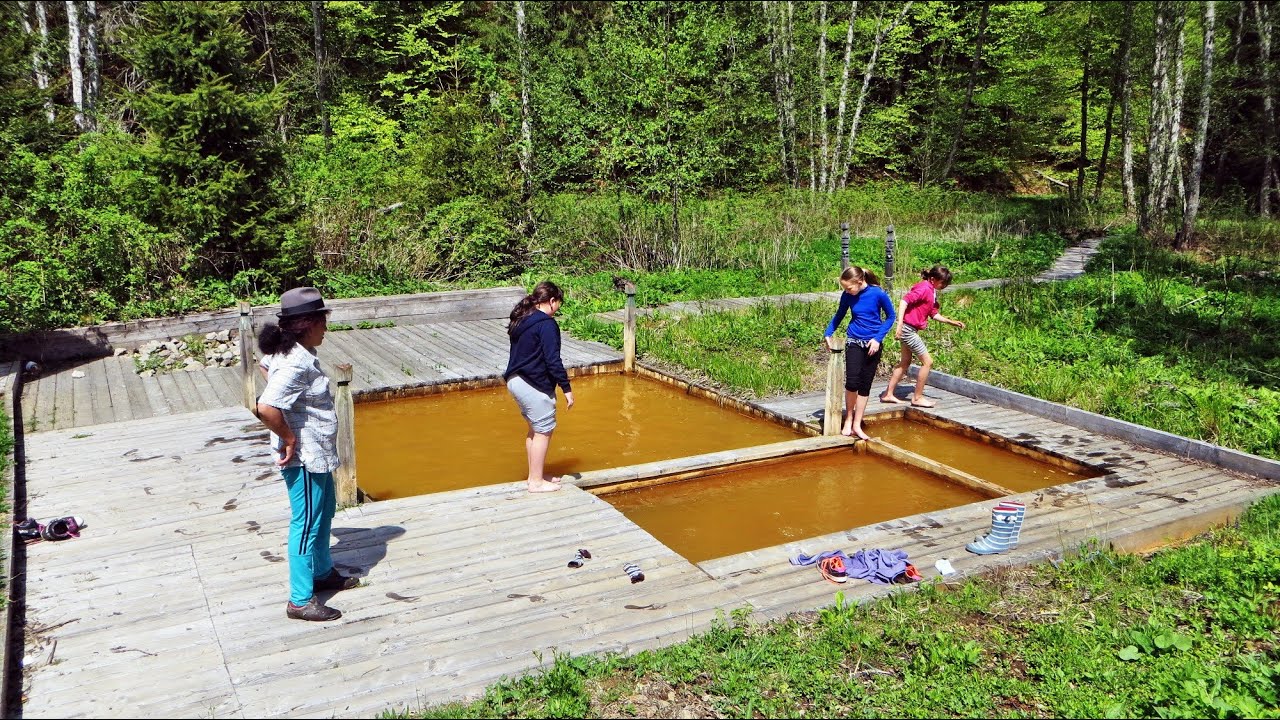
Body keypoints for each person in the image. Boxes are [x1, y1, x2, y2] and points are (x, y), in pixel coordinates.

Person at [255, 287, 358, 622]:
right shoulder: (297, 361)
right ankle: (300, 599)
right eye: (323, 322)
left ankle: (322, 572)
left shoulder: (289, 350)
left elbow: (264, 365)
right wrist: (288, 437)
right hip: (305, 456)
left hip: (318, 451)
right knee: (306, 523)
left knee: (325, 510)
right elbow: (266, 406)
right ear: (308, 324)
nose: (326, 329)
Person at [503, 281, 575, 493]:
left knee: (535, 430)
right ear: (552, 301)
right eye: (558, 304)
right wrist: (567, 388)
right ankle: (535, 482)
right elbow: (553, 360)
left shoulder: (522, 317)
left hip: (515, 380)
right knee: (544, 430)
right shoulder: (546, 324)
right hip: (532, 383)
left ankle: (535, 475)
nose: (557, 310)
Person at [823, 265, 896, 440]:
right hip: (854, 341)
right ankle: (848, 419)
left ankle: (857, 423)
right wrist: (828, 333)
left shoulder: (878, 294)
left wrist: (878, 339)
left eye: (849, 288)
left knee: (865, 384)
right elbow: (840, 314)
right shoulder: (848, 295)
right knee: (852, 381)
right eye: (844, 288)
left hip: (873, 344)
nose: (846, 291)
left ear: (860, 281)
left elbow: (891, 317)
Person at [880, 265, 966, 408]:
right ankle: (917, 397)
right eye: (942, 283)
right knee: (928, 362)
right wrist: (899, 324)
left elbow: (933, 314)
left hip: (910, 329)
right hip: (908, 330)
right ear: (933, 279)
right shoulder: (924, 288)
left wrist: (951, 322)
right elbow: (904, 301)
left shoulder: (932, 291)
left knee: (905, 362)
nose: (944, 286)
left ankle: (888, 394)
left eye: (946, 284)